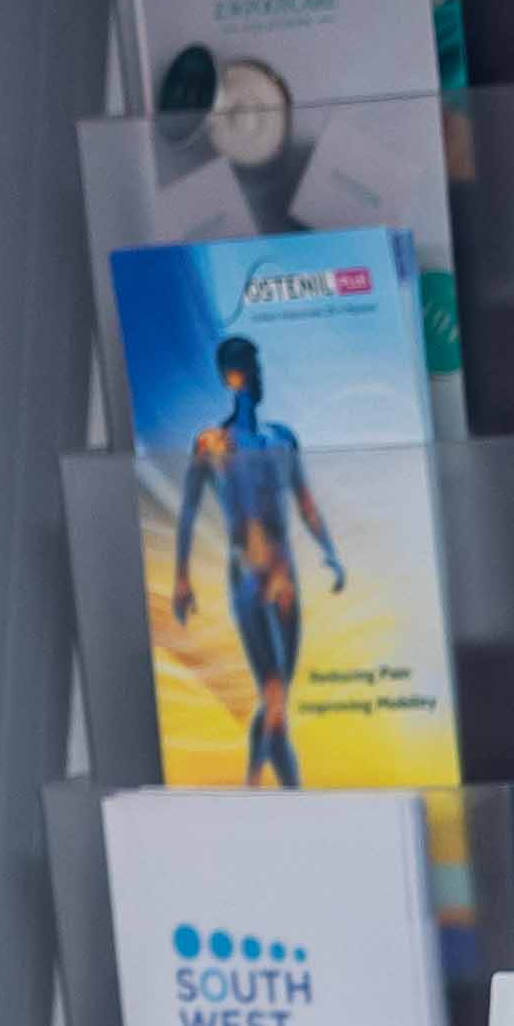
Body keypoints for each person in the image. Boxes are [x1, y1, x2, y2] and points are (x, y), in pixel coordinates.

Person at [172, 330, 338, 785]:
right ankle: (282, 789)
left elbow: (305, 503)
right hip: (247, 574)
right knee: (275, 694)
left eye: (261, 367)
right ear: (234, 376)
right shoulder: (210, 444)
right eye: (254, 368)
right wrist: (181, 579)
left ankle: (256, 782)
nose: (262, 377)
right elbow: (188, 510)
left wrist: (331, 555)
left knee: (277, 696)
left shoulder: (283, 438)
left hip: (286, 577)